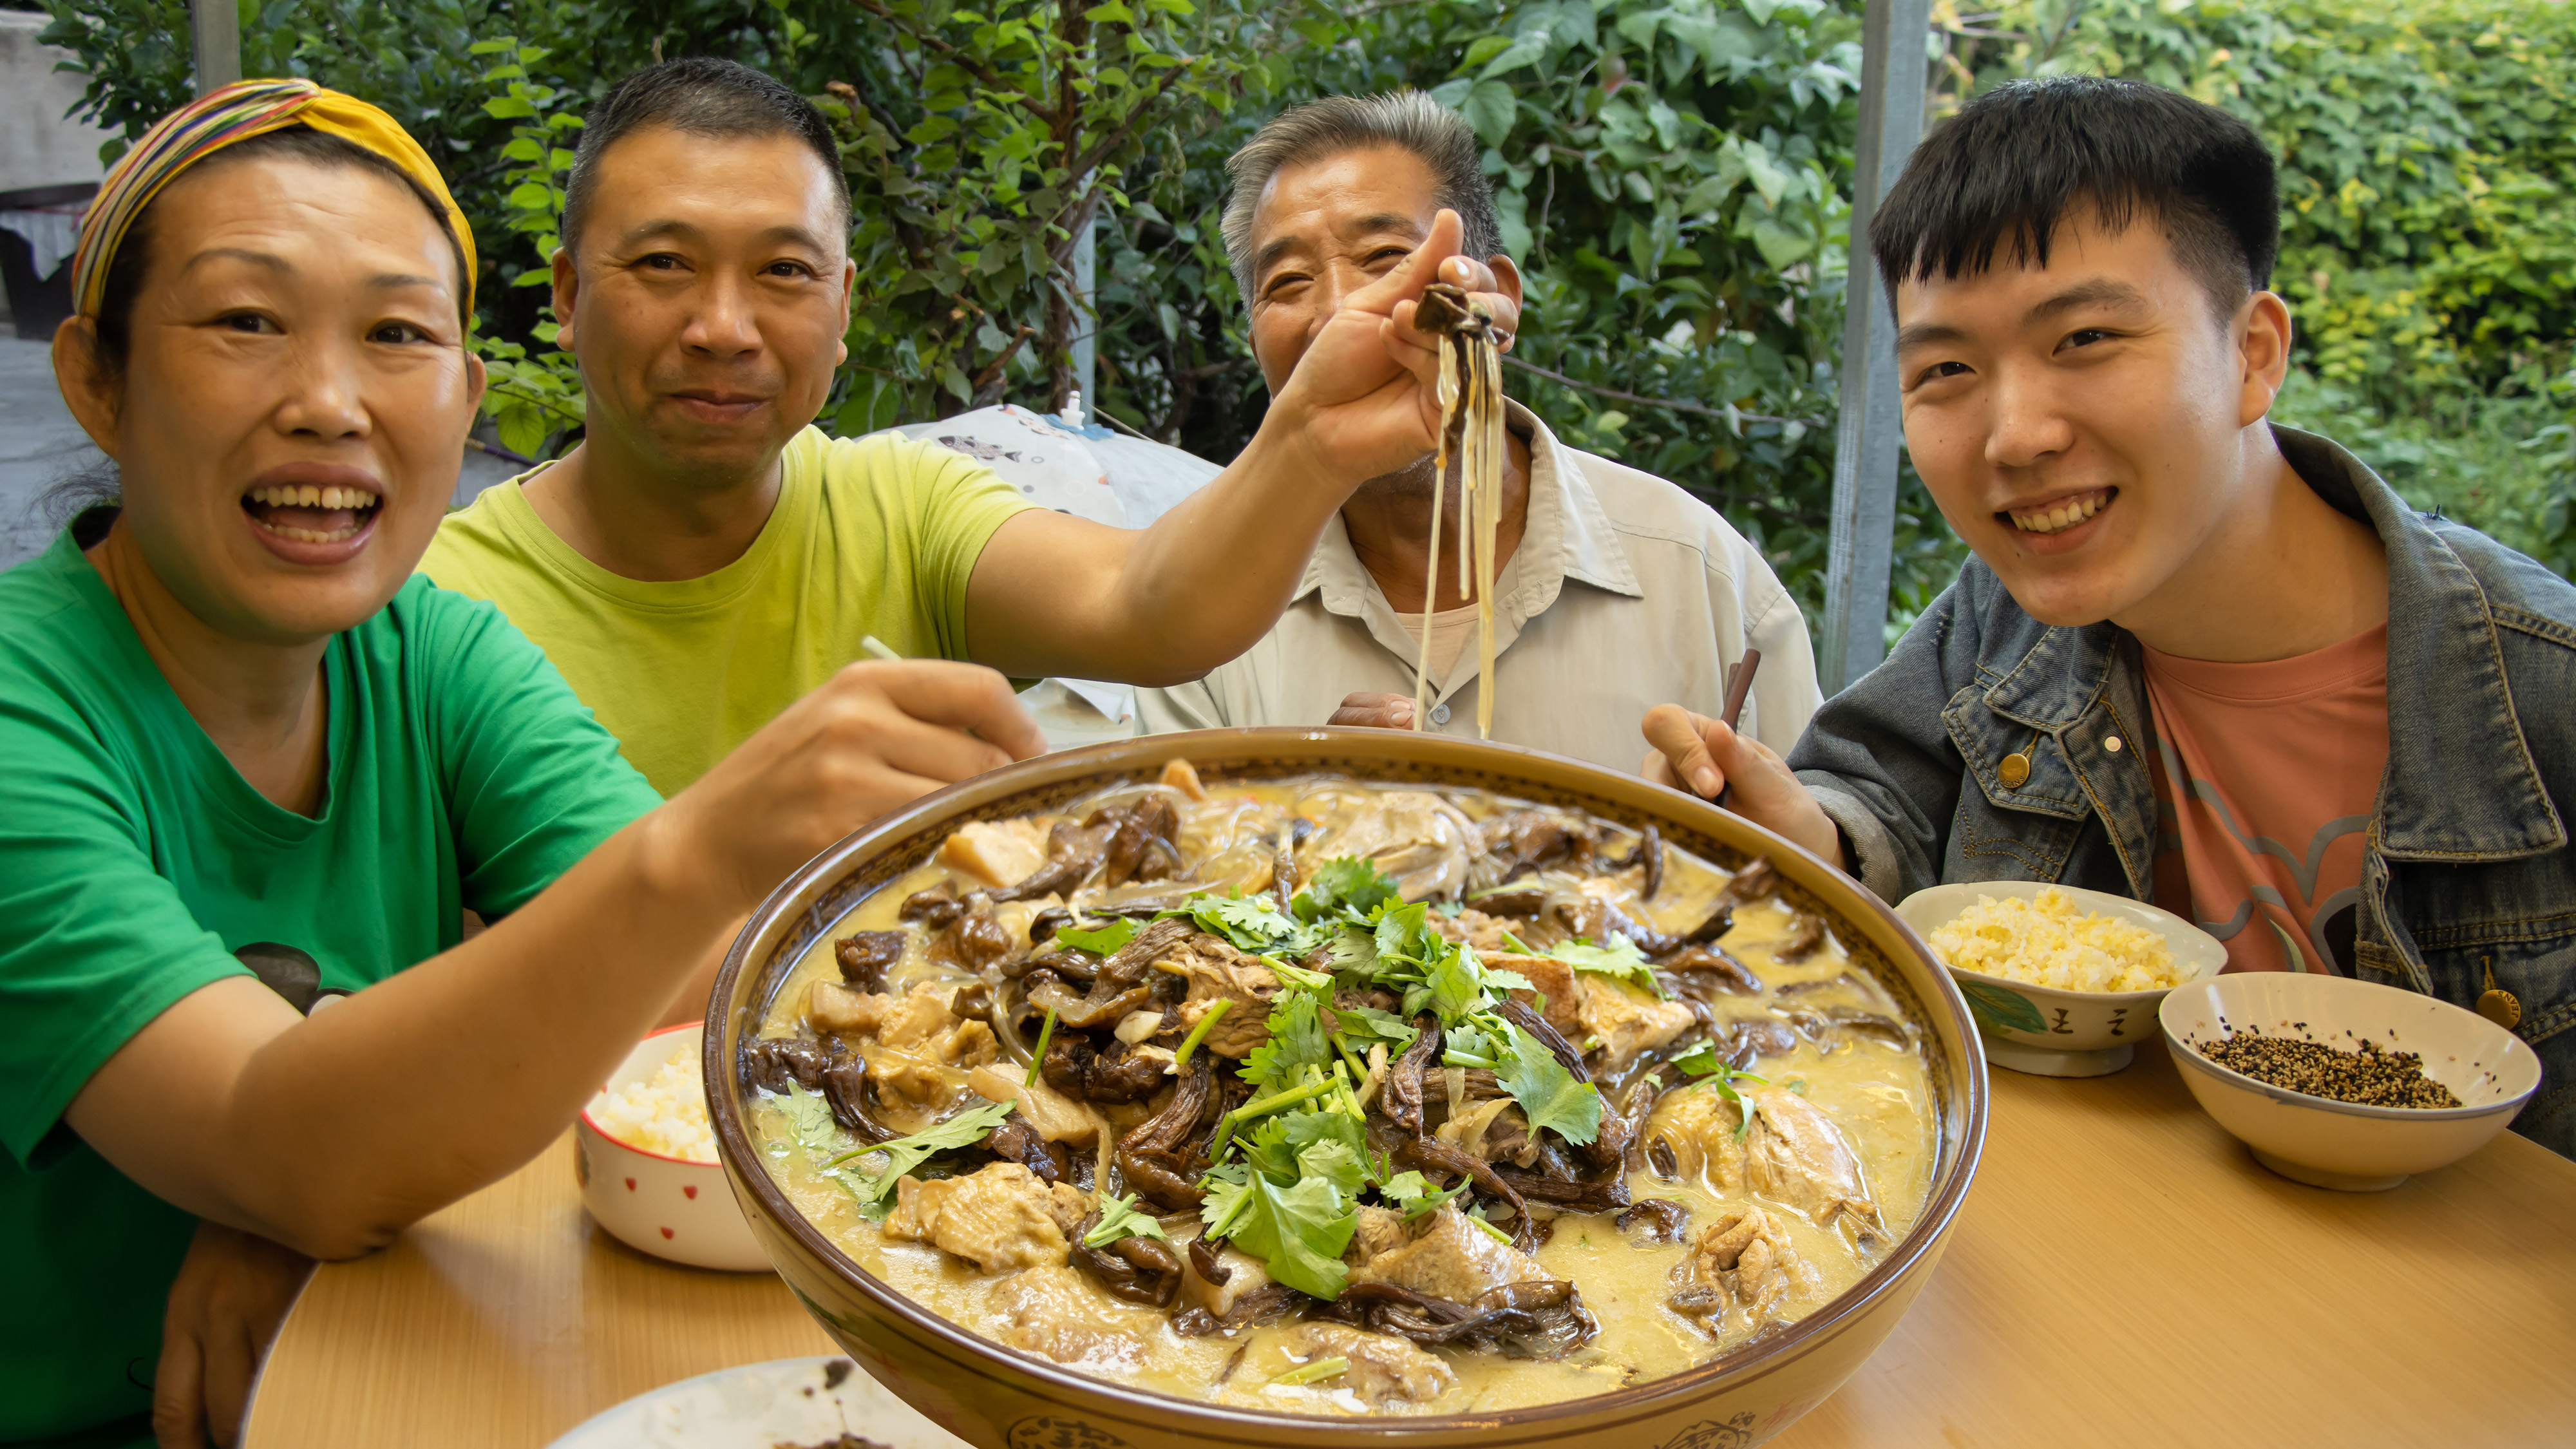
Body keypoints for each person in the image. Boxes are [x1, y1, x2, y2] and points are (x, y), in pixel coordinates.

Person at [1640, 77, 2576, 1158]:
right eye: (1946, 369)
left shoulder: (2538, 694)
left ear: (2256, 353)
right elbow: (1879, 799)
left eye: (2084, 339)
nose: (2015, 434)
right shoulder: (2005, 617)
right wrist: (1806, 838)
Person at [421, 61, 1522, 799]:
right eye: (664, 265)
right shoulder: (432, 611)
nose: (723, 327)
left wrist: (1317, 439)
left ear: (843, 306)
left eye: (783, 273)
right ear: (565, 295)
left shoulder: (899, 506)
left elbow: (1149, 604)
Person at [1134, 91, 1821, 771]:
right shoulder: (1201, 611)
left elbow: (1810, 854)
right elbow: (1162, 865)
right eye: (1287, 282)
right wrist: (1316, 805)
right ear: (1254, 338)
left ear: (1497, 301)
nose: (1341, 314)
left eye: (1384, 259)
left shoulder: (1697, 575)